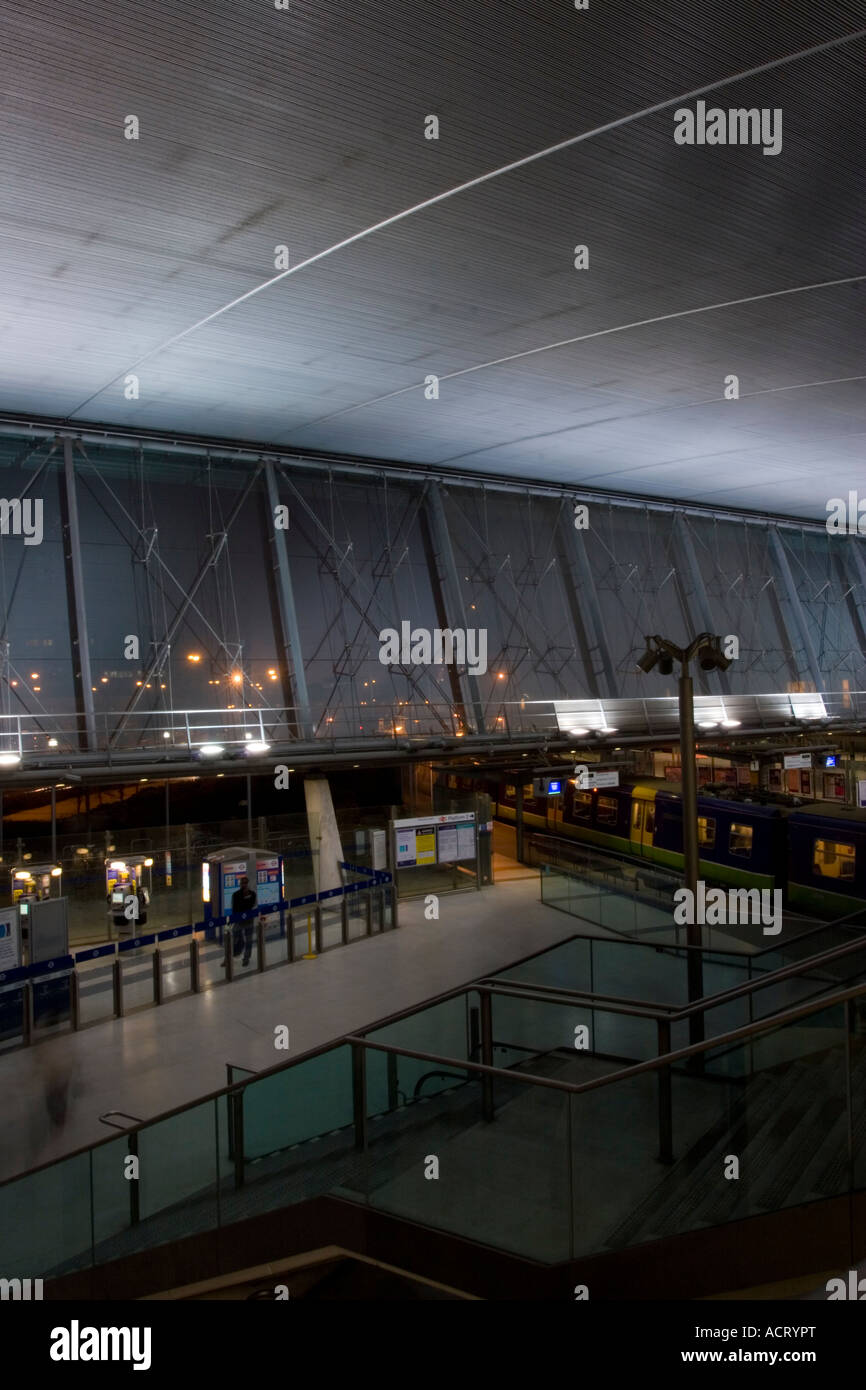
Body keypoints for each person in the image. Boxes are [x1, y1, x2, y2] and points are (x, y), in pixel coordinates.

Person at [230, 874, 257, 967]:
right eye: (242, 883)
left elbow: (250, 905)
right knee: (235, 937)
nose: (244, 885)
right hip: (239, 921)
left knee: (249, 941)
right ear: (240, 884)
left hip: (249, 920)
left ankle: (246, 958)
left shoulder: (252, 894)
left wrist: (246, 898)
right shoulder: (236, 895)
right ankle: (230, 956)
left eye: (246, 883)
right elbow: (236, 907)